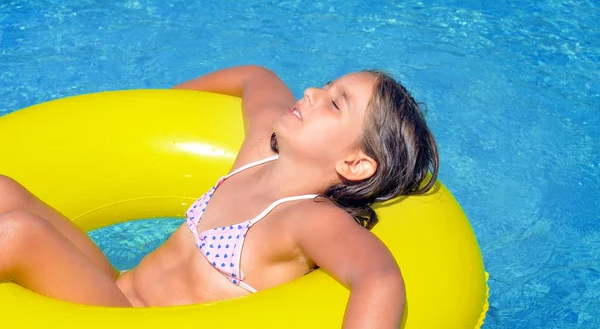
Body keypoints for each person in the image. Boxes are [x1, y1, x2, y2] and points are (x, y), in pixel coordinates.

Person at [0, 65, 438, 328]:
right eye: (324, 86)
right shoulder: (259, 152)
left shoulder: (307, 219)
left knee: (21, 235)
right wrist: (149, 109)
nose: (312, 93)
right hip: (115, 285)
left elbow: (378, 277)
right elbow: (256, 76)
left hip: (135, 322)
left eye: (335, 104)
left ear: (355, 165)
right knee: (5, 190)